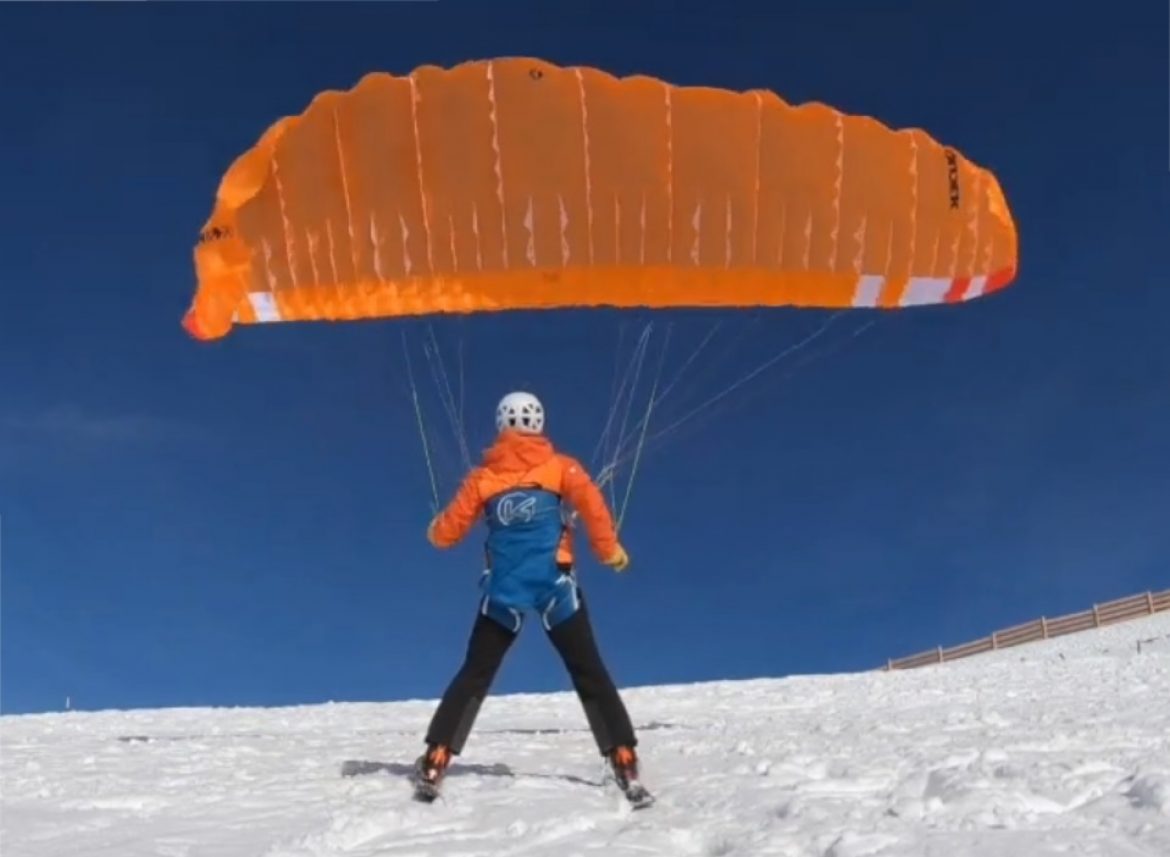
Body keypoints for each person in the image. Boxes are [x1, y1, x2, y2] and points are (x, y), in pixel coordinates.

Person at [415, 391, 644, 798]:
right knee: (588, 669)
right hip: (556, 588)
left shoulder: (481, 479)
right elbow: (592, 508)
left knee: (475, 673)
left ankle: (437, 757)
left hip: (504, 595)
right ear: (540, 423)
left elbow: (447, 534)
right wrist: (610, 551)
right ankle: (623, 756)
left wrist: (435, 530)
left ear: (501, 424)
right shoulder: (562, 468)